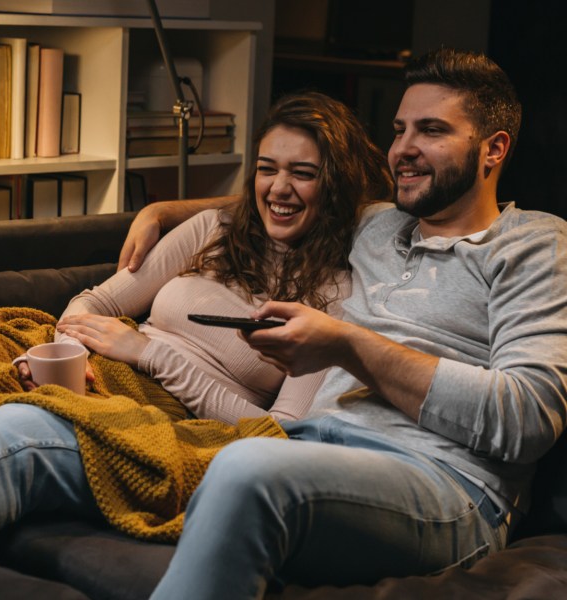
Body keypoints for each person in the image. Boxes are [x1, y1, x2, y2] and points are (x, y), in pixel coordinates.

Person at [0, 91, 392, 596]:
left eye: (302, 174)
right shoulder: (213, 229)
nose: (278, 188)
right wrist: (66, 349)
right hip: (79, 363)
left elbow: (277, 433)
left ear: (334, 184)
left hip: (150, 407)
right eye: (267, 168)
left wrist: (151, 354)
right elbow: (96, 302)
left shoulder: (337, 302)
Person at [115, 48, 567, 598]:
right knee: (36, 435)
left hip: (447, 486)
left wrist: (349, 345)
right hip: (311, 448)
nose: (402, 149)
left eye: (430, 130)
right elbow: (286, 192)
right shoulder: (379, 224)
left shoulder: (535, 244)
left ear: (494, 149)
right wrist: (162, 211)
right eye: (399, 130)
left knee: (245, 467)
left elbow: (527, 417)